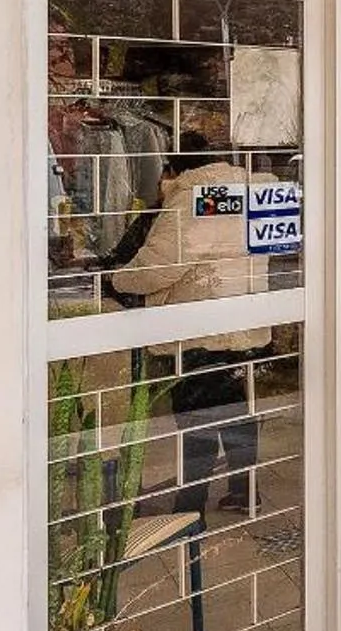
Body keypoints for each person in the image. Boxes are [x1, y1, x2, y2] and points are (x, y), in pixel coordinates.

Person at [109, 133, 277, 514]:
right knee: (235, 412)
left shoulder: (191, 199)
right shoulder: (252, 190)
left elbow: (160, 267)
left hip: (200, 328)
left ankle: (190, 505)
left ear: (175, 167)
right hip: (244, 320)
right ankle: (245, 490)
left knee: (196, 419)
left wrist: (115, 279)